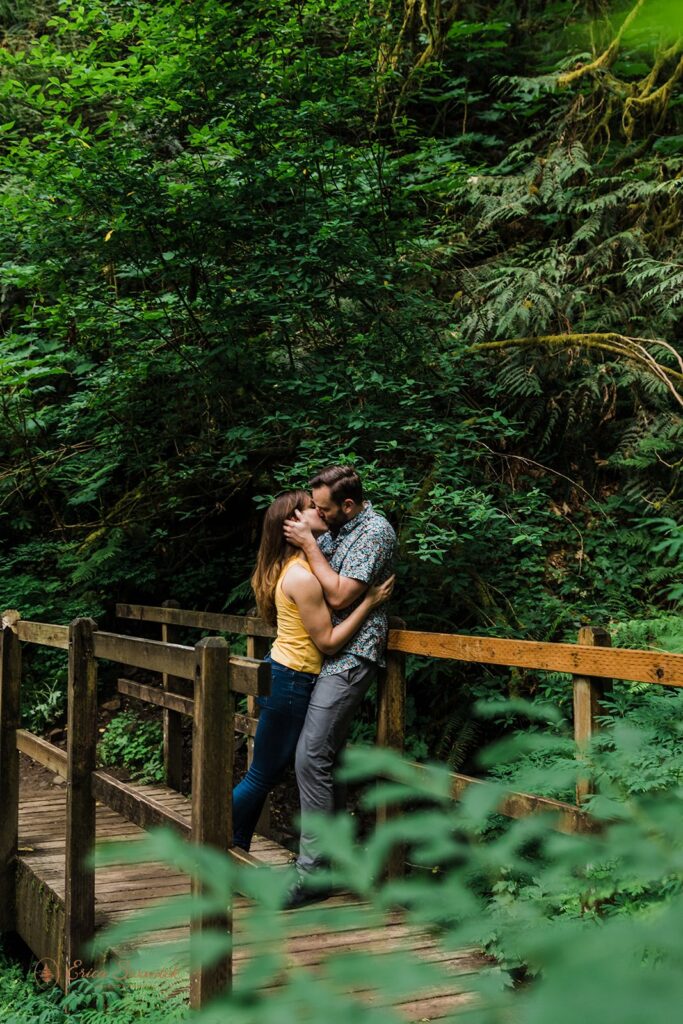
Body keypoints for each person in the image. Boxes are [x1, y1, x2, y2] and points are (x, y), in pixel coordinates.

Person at [232, 489, 394, 852]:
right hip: (291, 679)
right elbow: (330, 643)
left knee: (268, 772)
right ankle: (209, 837)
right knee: (263, 775)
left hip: (286, 675)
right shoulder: (302, 577)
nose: (319, 510)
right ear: (294, 523)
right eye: (309, 508)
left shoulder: (302, 566)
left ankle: (234, 843)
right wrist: (368, 602)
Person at [281, 465, 397, 906]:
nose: (319, 515)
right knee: (325, 759)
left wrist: (310, 542)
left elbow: (339, 596)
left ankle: (312, 875)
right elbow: (300, 524)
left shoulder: (374, 532)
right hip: (327, 655)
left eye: (324, 509)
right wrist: (302, 521)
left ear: (347, 505)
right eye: (317, 508)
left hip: (351, 656)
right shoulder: (338, 524)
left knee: (311, 757)